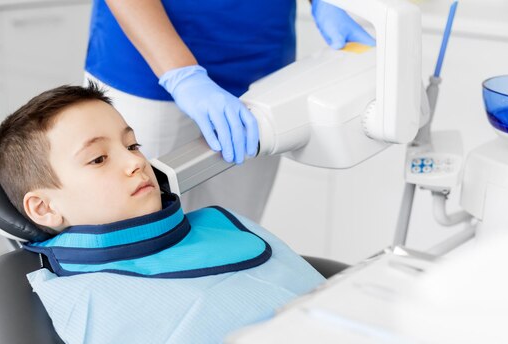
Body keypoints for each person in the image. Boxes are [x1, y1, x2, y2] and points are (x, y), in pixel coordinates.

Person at [0, 84, 373, 344]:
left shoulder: (216, 227)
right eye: (98, 159)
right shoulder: (92, 300)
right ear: (44, 208)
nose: (136, 162)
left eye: (132, 144)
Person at [84, 0, 376, 221]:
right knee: (135, 237)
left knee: (233, 232)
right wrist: (182, 76)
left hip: (258, 68)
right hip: (144, 69)